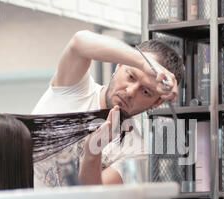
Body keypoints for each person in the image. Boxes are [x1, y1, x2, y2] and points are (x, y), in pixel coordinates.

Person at [31, 30, 185, 187]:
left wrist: (93, 153)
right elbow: (79, 42)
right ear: (118, 66)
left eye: (145, 91)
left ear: (156, 103)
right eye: (131, 76)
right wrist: (145, 64)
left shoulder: (135, 150)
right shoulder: (75, 88)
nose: (130, 91)